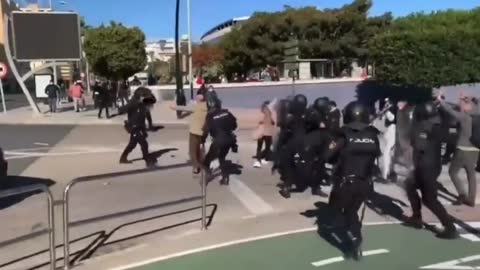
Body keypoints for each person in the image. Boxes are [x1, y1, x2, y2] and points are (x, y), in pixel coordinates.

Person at [325, 101, 381, 260]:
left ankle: (349, 242)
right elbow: (376, 156)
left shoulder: (343, 134)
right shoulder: (373, 135)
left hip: (345, 182)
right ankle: (356, 237)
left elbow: (327, 156)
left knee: (338, 212)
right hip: (365, 183)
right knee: (352, 211)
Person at [404, 101, 458, 239]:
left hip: (425, 166)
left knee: (429, 199)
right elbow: (451, 127)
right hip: (433, 165)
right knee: (409, 186)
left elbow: (418, 147)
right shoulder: (438, 125)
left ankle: (450, 228)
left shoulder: (422, 127)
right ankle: (416, 217)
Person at [438, 92, 478, 207]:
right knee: (471, 174)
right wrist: (468, 98)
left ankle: (462, 194)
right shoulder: (476, 115)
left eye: (462, 104)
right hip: (475, 150)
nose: (460, 105)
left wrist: (441, 101)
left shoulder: (464, 117)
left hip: (462, 149)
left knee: (453, 172)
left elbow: (450, 111)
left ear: (467, 107)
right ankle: (471, 199)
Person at [170, 91, 209, 174]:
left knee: (192, 151)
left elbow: (183, 108)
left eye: (197, 97)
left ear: (199, 98)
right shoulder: (207, 106)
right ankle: (202, 162)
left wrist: (173, 107)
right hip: (204, 132)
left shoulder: (195, 106)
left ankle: (196, 166)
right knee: (199, 148)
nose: (196, 98)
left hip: (194, 132)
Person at [202, 98, 238, 185]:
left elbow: (206, 130)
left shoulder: (209, 116)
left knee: (206, 160)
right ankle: (224, 177)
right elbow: (234, 125)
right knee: (221, 157)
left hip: (219, 140)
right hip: (230, 140)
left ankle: (207, 176)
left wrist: (202, 139)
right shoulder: (227, 113)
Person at [278, 94, 308, 198]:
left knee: (289, 164)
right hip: (306, 142)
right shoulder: (309, 114)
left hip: (294, 142)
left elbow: (285, 130)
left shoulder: (291, 116)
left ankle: (287, 186)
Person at [119, 94, 156, 167]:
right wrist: (138, 130)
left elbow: (148, 118)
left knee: (132, 145)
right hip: (135, 128)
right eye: (151, 103)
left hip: (138, 128)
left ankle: (123, 158)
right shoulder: (140, 108)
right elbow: (135, 119)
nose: (152, 106)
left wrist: (147, 128)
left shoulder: (145, 108)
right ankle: (147, 161)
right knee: (144, 144)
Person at [253, 101, 275, 168]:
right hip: (267, 133)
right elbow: (272, 122)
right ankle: (264, 159)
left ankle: (258, 161)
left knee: (259, 147)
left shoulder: (261, 113)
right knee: (267, 147)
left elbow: (259, 122)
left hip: (261, 132)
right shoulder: (270, 113)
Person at [381, 99, 397, 181]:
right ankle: (391, 173)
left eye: (387, 102)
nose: (386, 103)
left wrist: (386, 111)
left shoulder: (391, 110)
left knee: (386, 153)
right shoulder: (390, 110)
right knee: (390, 154)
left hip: (392, 130)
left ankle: (385, 174)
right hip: (390, 131)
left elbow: (392, 119)